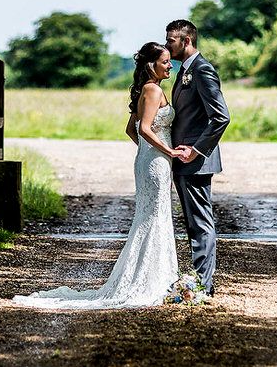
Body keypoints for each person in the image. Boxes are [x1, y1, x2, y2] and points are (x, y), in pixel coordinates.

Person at [12, 42, 182, 309]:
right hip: (156, 162)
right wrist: (168, 151)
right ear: (152, 65)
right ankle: (153, 281)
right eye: (165, 62)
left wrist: (151, 153)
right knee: (154, 217)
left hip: (150, 160)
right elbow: (145, 129)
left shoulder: (149, 89)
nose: (170, 65)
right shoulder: (152, 89)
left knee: (152, 217)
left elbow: (130, 129)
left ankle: (157, 277)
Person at [165, 19, 230, 297]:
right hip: (183, 160)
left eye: (171, 40)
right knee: (192, 223)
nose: (167, 45)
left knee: (201, 222)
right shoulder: (184, 72)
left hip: (196, 160)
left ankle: (203, 285)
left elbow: (221, 117)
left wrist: (197, 149)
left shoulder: (202, 70)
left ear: (186, 41)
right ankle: (199, 281)